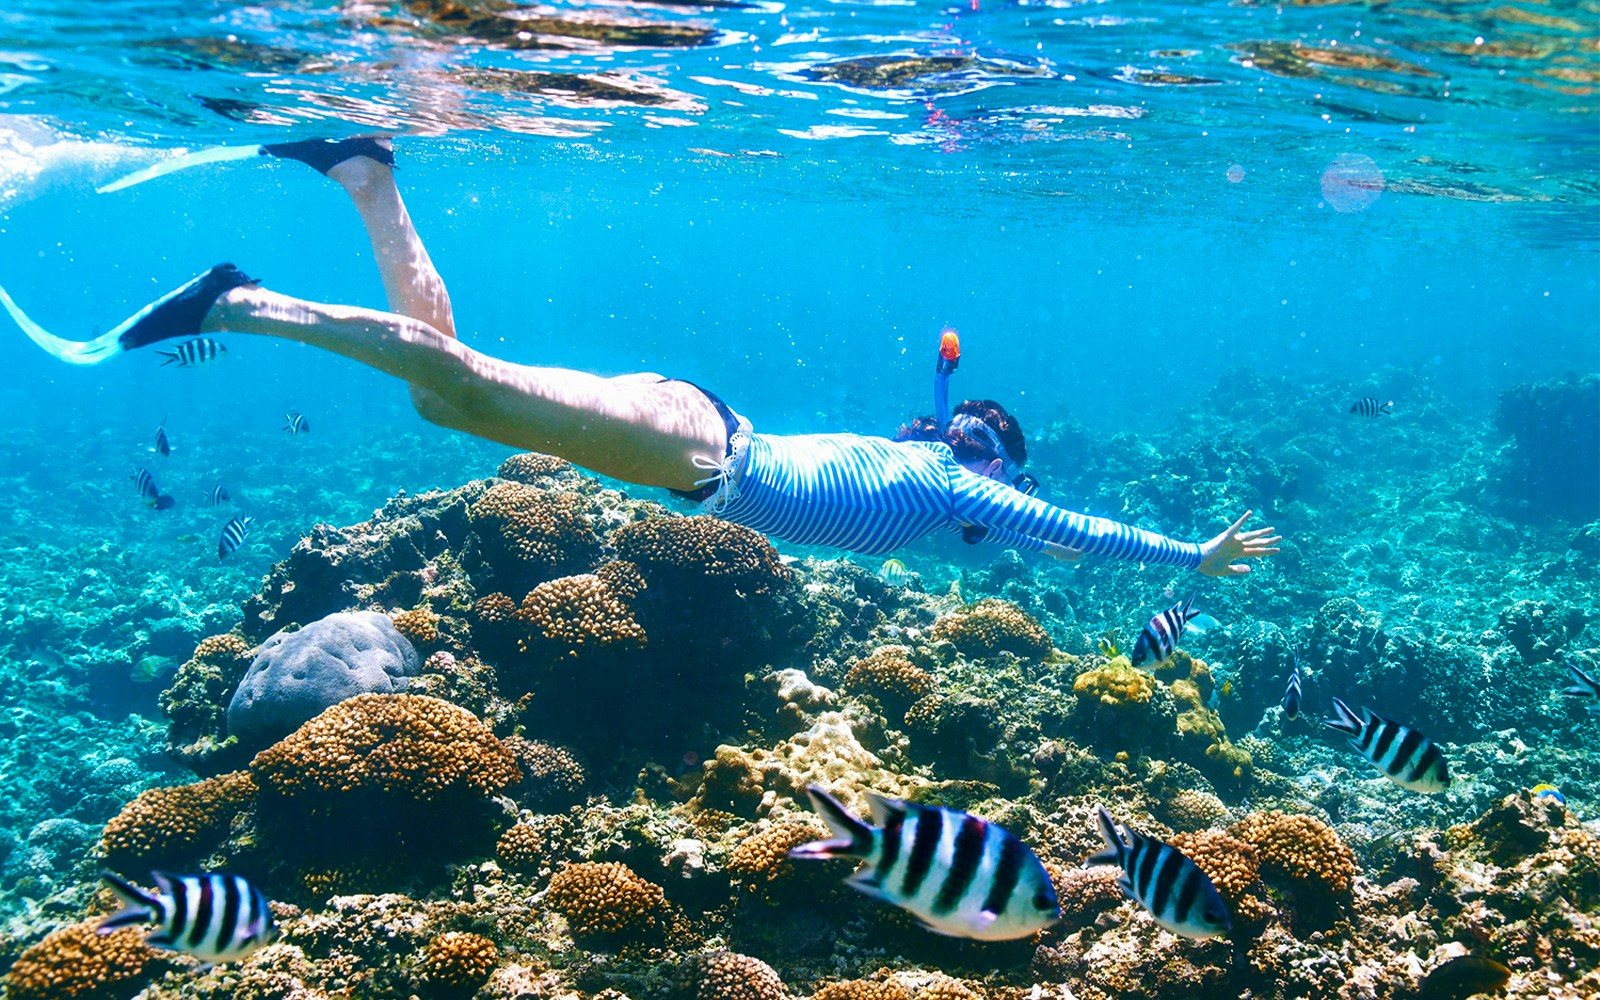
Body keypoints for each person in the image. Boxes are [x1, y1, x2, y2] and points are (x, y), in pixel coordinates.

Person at [0, 138, 1280, 575]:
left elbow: (1018, 502)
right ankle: (237, 303)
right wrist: (1192, 556)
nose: (965, 442)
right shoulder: (951, 480)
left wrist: (962, 413)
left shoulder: (941, 475)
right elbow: (1070, 528)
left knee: (450, 395)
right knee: (467, 387)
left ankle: (368, 178)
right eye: (973, 435)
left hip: (701, 437)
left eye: (981, 442)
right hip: (703, 452)